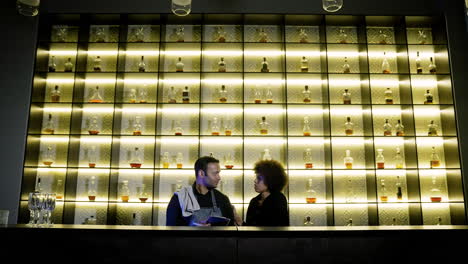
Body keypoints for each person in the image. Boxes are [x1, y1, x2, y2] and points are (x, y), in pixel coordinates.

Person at [166, 156, 235, 226]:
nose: (219, 177)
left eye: (218, 173)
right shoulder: (179, 198)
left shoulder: (222, 199)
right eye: (215, 173)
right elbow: (171, 231)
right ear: (201, 173)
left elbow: (231, 230)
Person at [244, 159, 289, 226]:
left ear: (270, 180)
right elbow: (250, 229)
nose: (255, 181)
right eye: (256, 177)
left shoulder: (279, 200)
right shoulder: (254, 201)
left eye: (259, 178)